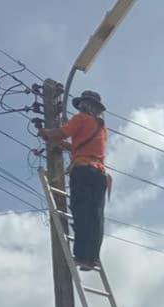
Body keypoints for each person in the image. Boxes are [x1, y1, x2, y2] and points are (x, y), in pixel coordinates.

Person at [38, 89, 108, 271]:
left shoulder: (81, 119)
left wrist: (45, 132)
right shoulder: (101, 127)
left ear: (83, 105)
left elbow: (61, 132)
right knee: (96, 216)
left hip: (83, 170)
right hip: (100, 175)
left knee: (81, 212)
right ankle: (92, 258)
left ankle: (82, 256)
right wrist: (68, 146)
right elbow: (87, 146)